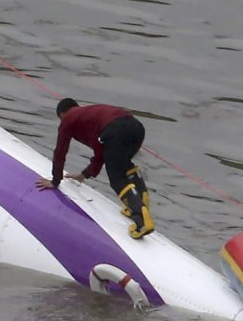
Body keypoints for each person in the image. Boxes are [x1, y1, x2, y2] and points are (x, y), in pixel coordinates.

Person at [34, 97, 155, 239]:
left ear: (62, 115)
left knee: (117, 178)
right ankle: (141, 203)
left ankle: (142, 220)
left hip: (116, 131)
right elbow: (101, 151)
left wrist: (55, 180)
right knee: (125, 165)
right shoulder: (90, 115)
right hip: (136, 127)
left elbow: (60, 150)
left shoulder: (68, 119)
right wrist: (85, 174)